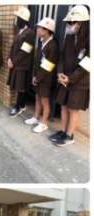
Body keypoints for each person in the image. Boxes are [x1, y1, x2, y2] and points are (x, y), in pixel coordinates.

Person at [51, 5, 90, 147]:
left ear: (81, 23)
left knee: (73, 108)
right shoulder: (69, 36)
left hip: (79, 82)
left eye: (72, 22)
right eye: (69, 22)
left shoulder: (89, 39)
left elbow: (87, 64)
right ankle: (63, 131)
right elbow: (62, 56)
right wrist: (60, 72)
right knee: (63, 105)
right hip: (65, 78)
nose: (70, 25)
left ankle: (69, 135)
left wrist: (71, 78)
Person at [24, 18, 59, 133]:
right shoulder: (42, 41)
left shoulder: (53, 45)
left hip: (46, 79)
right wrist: (35, 76)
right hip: (39, 77)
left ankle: (44, 123)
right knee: (37, 97)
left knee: (45, 100)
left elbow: (48, 66)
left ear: (47, 30)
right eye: (38, 28)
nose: (38, 30)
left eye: (40, 28)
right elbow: (37, 61)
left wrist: (37, 78)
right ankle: (36, 117)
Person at [8, 7, 35, 118]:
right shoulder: (20, 31)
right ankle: (21, 105)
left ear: (22, 19)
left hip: (23, 66)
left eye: (17, 17)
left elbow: (25, 51)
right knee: (18, 85)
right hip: (16, 64)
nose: (16, 20)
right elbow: (13, 47)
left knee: (21, 87)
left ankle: (18, 106)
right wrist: (9, 58)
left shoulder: (29, 33)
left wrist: (13, 61)